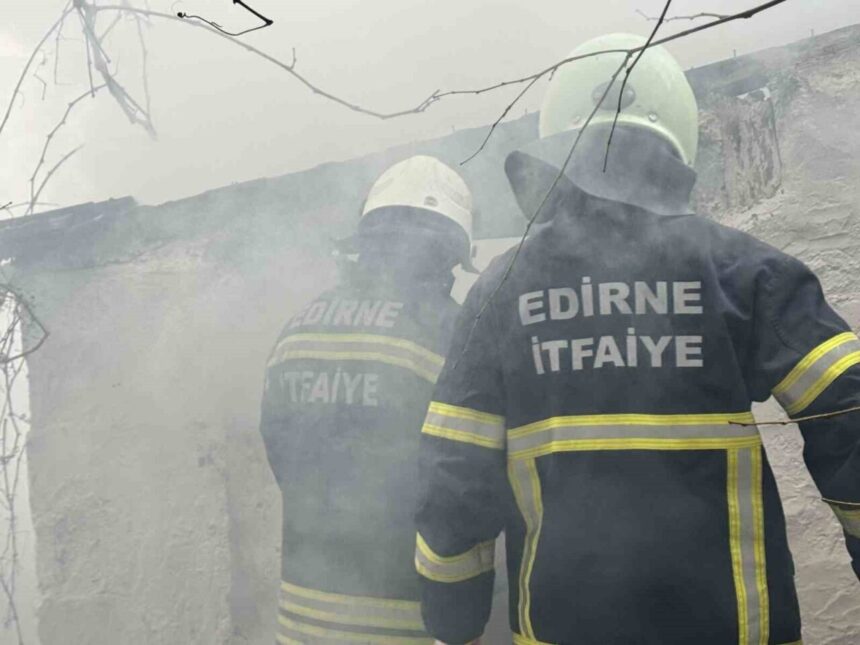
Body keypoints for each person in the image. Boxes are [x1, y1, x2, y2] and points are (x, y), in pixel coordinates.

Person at [415, 33, 860, 645]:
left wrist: (452, 611)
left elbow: (454, 471)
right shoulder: (742, 270)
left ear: (559, 138)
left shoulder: (501, 292)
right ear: (676, 136)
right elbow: (849, 412)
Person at [260, 155, 475, 644]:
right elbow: (462, 487)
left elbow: (282, 457)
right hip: (409, 622)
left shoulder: (296, 330)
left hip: (302, 618)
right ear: (449, 255)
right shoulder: (451, 333)